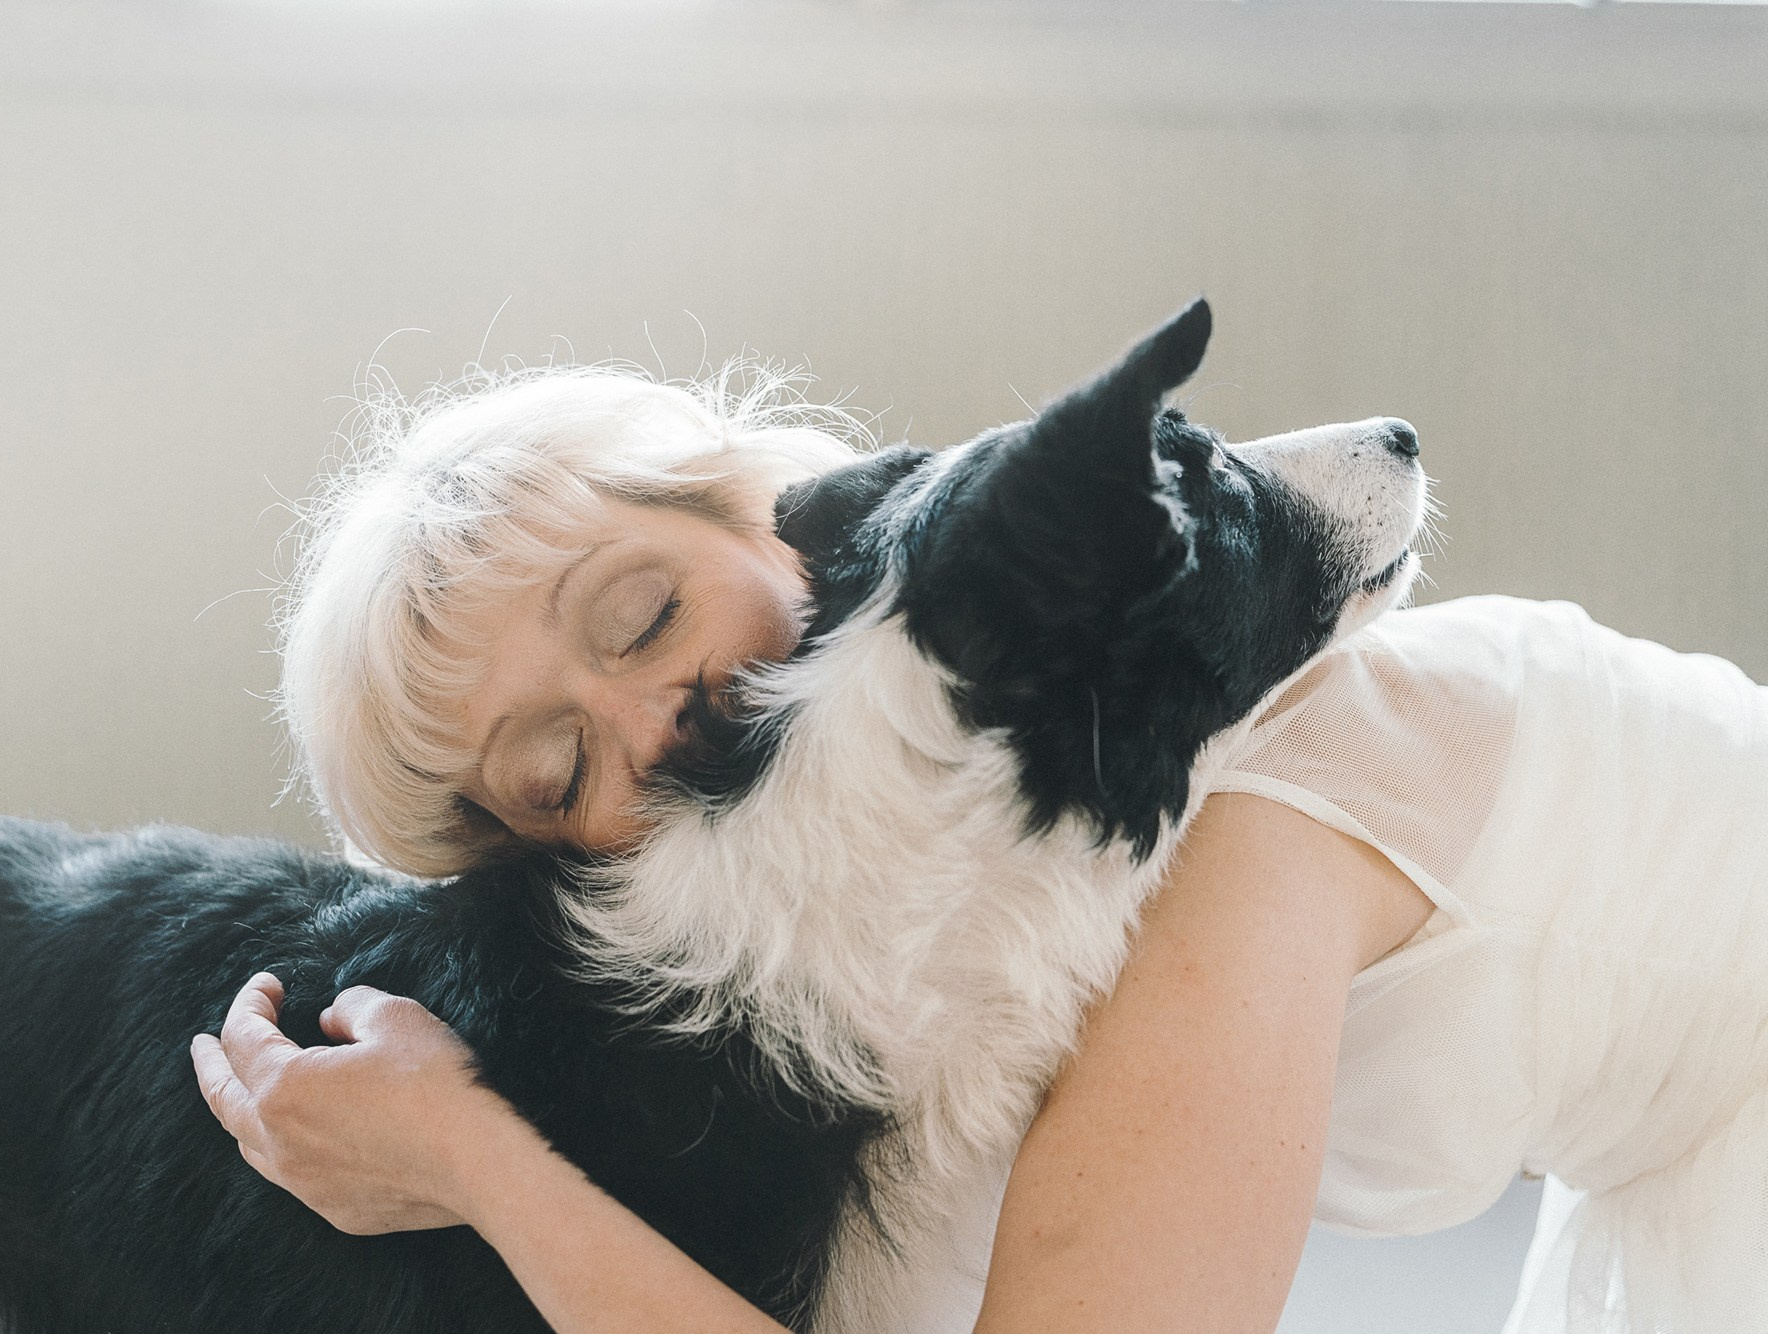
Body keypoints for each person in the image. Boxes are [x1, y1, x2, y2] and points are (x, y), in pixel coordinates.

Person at [193, 366, 1768, 1334]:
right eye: (561, 768)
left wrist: (476, 1164)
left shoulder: (1190, 823)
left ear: (766, 510)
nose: (663, 714)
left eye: (645, 614)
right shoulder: (896, 858)